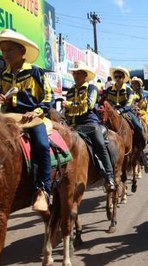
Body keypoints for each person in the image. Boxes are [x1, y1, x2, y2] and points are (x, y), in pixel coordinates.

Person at [0, 29, 53, 212]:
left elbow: (48, 97)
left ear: (22, 52)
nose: (5, 54)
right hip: (8, 117)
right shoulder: (4, 75)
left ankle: (43, 190)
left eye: (10, 50)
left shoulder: (35, 72)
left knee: (41, 145)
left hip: (31, 118)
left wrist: (36, 111)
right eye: (3, 50)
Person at [63, 61, 116, 192]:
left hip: (89, 124)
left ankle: (109, 176)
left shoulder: (92, 88)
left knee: (100, 144)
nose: (75, 75)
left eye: (78, 73)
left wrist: (69, 105)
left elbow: (89, 105)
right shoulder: (70, 91)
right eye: (74, 73)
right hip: (73, 125)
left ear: (85, 75)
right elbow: (67, 112)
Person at [103, 67, 146, 149]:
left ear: (123, 78)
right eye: (116, 77)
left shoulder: (129, 90)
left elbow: (129, 105)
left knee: (138, 126)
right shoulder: (108, 90)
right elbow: (103, 101)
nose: (118, 78)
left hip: (126, 112)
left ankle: (140, 148)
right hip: (111, 112)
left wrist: (120, 111)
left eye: (120, 76)